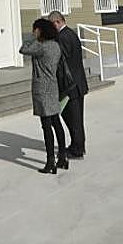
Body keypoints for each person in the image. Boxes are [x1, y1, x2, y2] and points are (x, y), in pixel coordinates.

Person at [19, 18, 66, 174]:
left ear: (40, 30)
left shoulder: (41, 47)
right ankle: (62, 156)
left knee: (46, 126)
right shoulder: (55, 46)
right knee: (56, 122)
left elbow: (23, 48)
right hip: (53, 86)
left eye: (35, 29)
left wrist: (34, 37)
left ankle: (50, 161)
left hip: (41, 89)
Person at [48, 11, 89, 159]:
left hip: (70, 86)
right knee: (76, 118)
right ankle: (77, 145)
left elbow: (60, 62)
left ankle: (77, 148)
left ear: (57, 22)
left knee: (73, 119)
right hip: (77, 83)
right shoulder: (71, 34)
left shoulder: (62, 37)